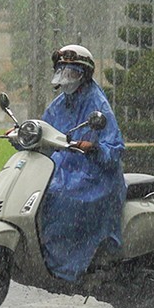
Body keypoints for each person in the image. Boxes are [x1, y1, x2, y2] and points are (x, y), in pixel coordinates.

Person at [36, 44, 125, 284]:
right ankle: (42, 254)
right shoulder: (59, 103)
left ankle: (65, 268)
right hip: (62, 170)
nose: (65, 78)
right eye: (62, 71)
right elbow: (44, 129)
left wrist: (93, 148)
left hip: (94, 176)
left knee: (61, 198)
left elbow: (114, 148)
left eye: (71, 73)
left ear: (83, 75)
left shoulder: (98, 105)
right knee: (39, 193)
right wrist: (24, 133)